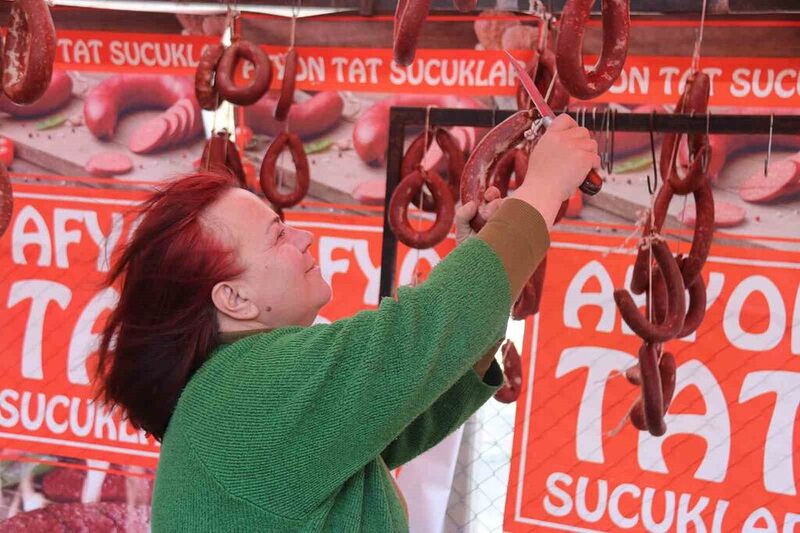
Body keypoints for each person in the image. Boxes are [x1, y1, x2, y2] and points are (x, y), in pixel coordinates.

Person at [95, 114, 599, 531]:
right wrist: (546, 186)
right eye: (278, 237)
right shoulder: (245, 391)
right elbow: (413, 337)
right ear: (234, 298)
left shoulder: (233, 388)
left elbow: (404, 411)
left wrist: (491, 259)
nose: (305, 238)